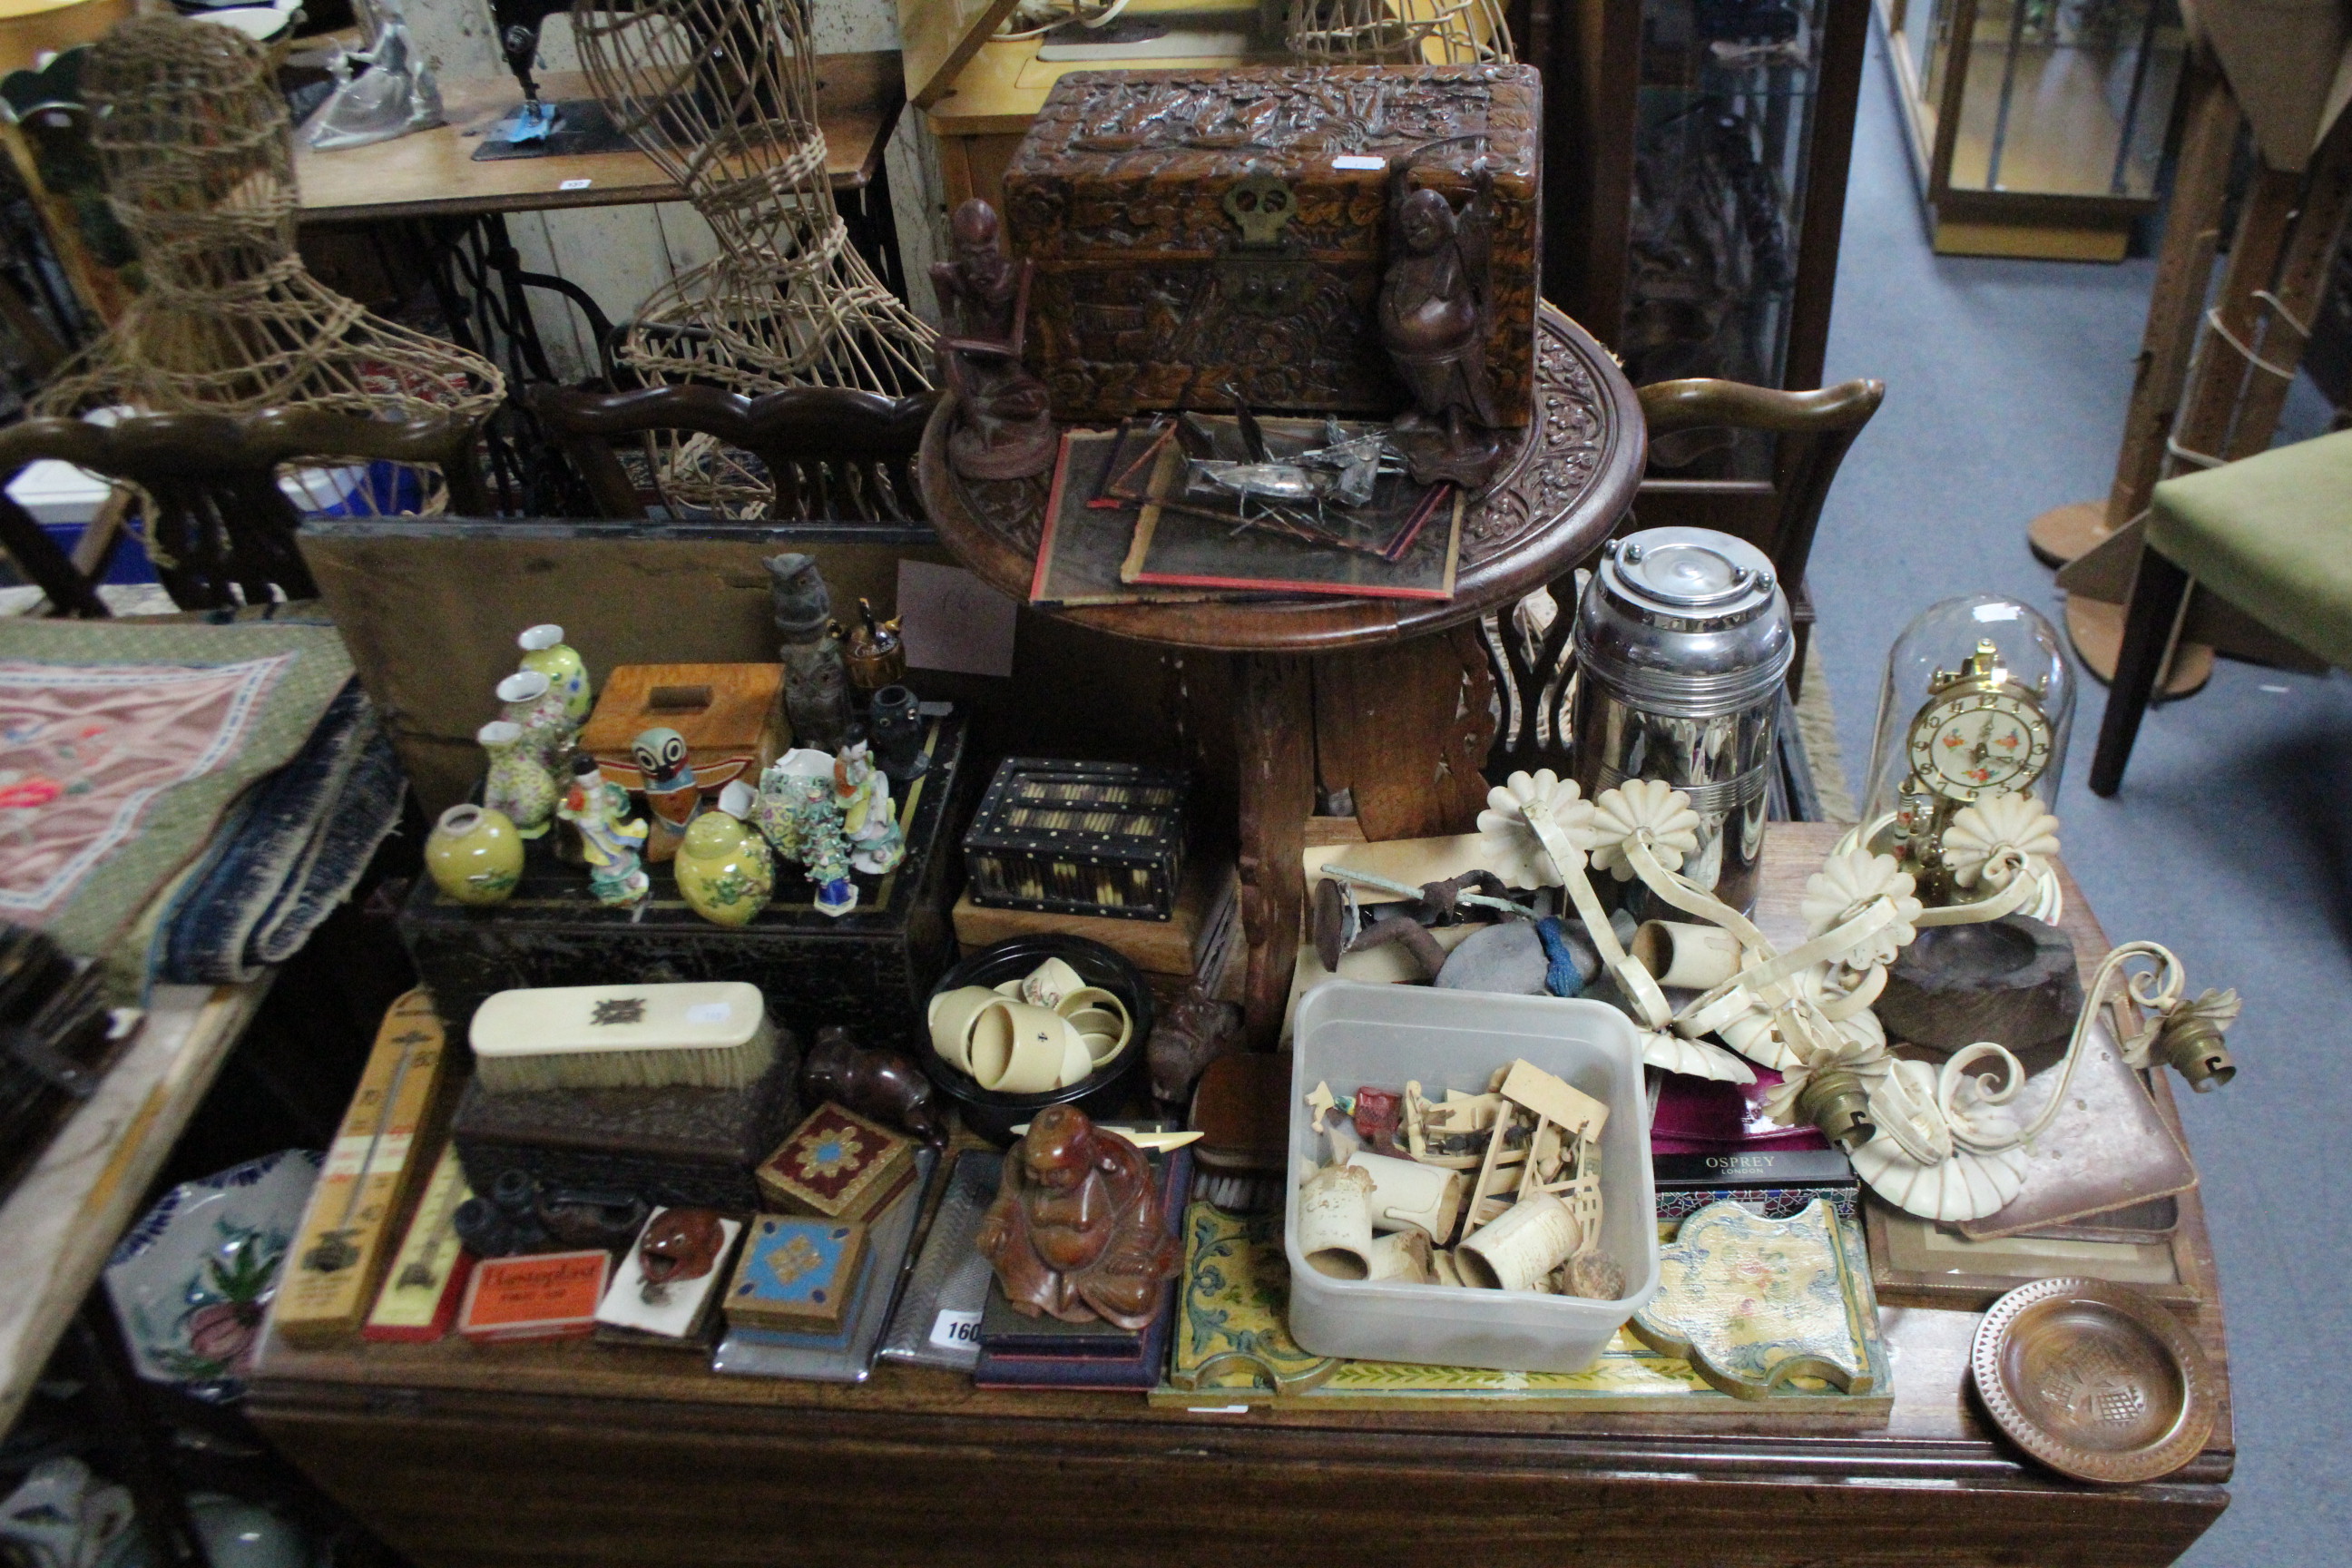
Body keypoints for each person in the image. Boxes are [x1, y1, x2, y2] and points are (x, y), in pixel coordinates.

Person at [975, 1105, 1177, 1328]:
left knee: (1139, 1295)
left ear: (1087, 1155)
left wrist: (1127, 1255)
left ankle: (1081, 1286)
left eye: (1058, 1173)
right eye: (1035, 1171)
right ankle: (1037, 1294)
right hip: (1038, 1268)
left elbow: (1140, 1225)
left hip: (1103, 1267)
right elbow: (1007, 1202)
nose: (1044, 1182)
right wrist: (996, 1224)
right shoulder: (1017, 1163)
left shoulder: (1121, 1171)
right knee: (998, 1244)